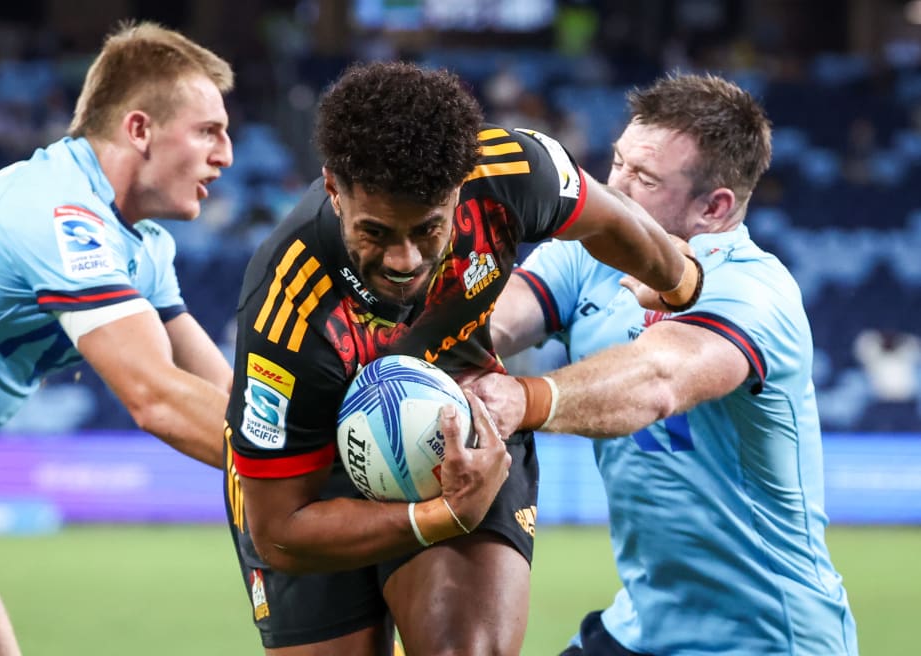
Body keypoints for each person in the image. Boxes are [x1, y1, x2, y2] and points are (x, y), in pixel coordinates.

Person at [222, 61, 702, 655]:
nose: (403, 260)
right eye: (376, 232)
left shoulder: (512, 172)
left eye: (427, 229)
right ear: (332, 190)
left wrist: (681, 279)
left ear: (458, 190)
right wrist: (437, 518)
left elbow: (611, 219)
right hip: (315, 478)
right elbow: (278, 533)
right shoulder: (286, 303)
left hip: (459, 416)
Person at [0, 22, 235, 655]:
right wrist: (329, 467)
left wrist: (329, 440)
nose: (226, 154)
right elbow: (157, 398)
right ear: (139, 129)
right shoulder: (61, 210)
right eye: (209, 130)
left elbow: (224, 393)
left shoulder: (144, 247)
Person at [471, 73, 859, 655]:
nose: (611, 188)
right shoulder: (587, 255)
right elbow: (493, 323)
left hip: (770, 638)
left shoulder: (755, 292)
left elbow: (658, 380)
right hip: (642, 626)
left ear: (714, 206)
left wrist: (521, 400)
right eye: (618, 163)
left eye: (643, 178)